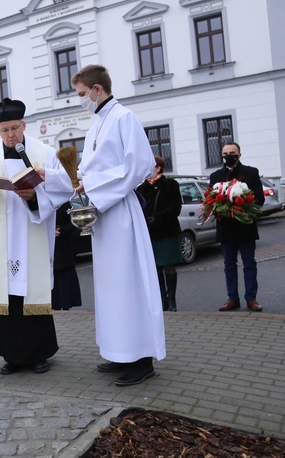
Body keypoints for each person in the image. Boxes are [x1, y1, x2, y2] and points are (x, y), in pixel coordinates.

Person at [68, 64, 166, 386]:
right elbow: (89, 167)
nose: (80, 100)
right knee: (111, 288)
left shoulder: (125, 118)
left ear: (97, 89)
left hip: (121, 212)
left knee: (130, 286)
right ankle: (119, 351)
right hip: (103, 216)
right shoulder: (96, 124)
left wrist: (94, 186)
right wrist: (80, 181)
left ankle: (142, 359)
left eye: (82, 94)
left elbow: (140, 164)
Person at [0, 98, 71, 375]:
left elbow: (64, 188)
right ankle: (11, 356)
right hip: (0, 242)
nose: (10, 135)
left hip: (30, 234)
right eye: (4, 130)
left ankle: (39, 354)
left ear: (24, 126)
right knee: (5, 297)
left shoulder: (43, 152)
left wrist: (35, 197)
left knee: (30, 293)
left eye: (14, 128)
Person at [209, 142, 265, 312]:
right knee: (229, 265)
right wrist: (223, 208)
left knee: (249, 264)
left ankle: (251, 299)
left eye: (232, 153)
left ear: (239, 155)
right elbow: (211, 200)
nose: (228, 156)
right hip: (226, 228)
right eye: (225, 153)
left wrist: (242, 207)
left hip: (245, 226)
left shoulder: (251, 172)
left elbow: (259, 199)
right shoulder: (216, 175)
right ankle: (232, 298)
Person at [136, 155, 183, 312]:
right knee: (155, 268)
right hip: (150, 233)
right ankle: (161, 300)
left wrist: (158, 218)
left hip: (167, 231)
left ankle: (172, 301)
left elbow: (175, 207)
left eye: (150, 167)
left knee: (169, 266)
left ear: (158, 168)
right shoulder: (141, 188)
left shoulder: (170, 184)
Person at [52, 202, 82, 311]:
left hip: (63, 245)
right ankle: (54, 303)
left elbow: (74, 222)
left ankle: (66, 304)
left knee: (64, 277)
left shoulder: (66, 203)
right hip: (48, 245)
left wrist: (61, 230)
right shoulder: (44, 201)